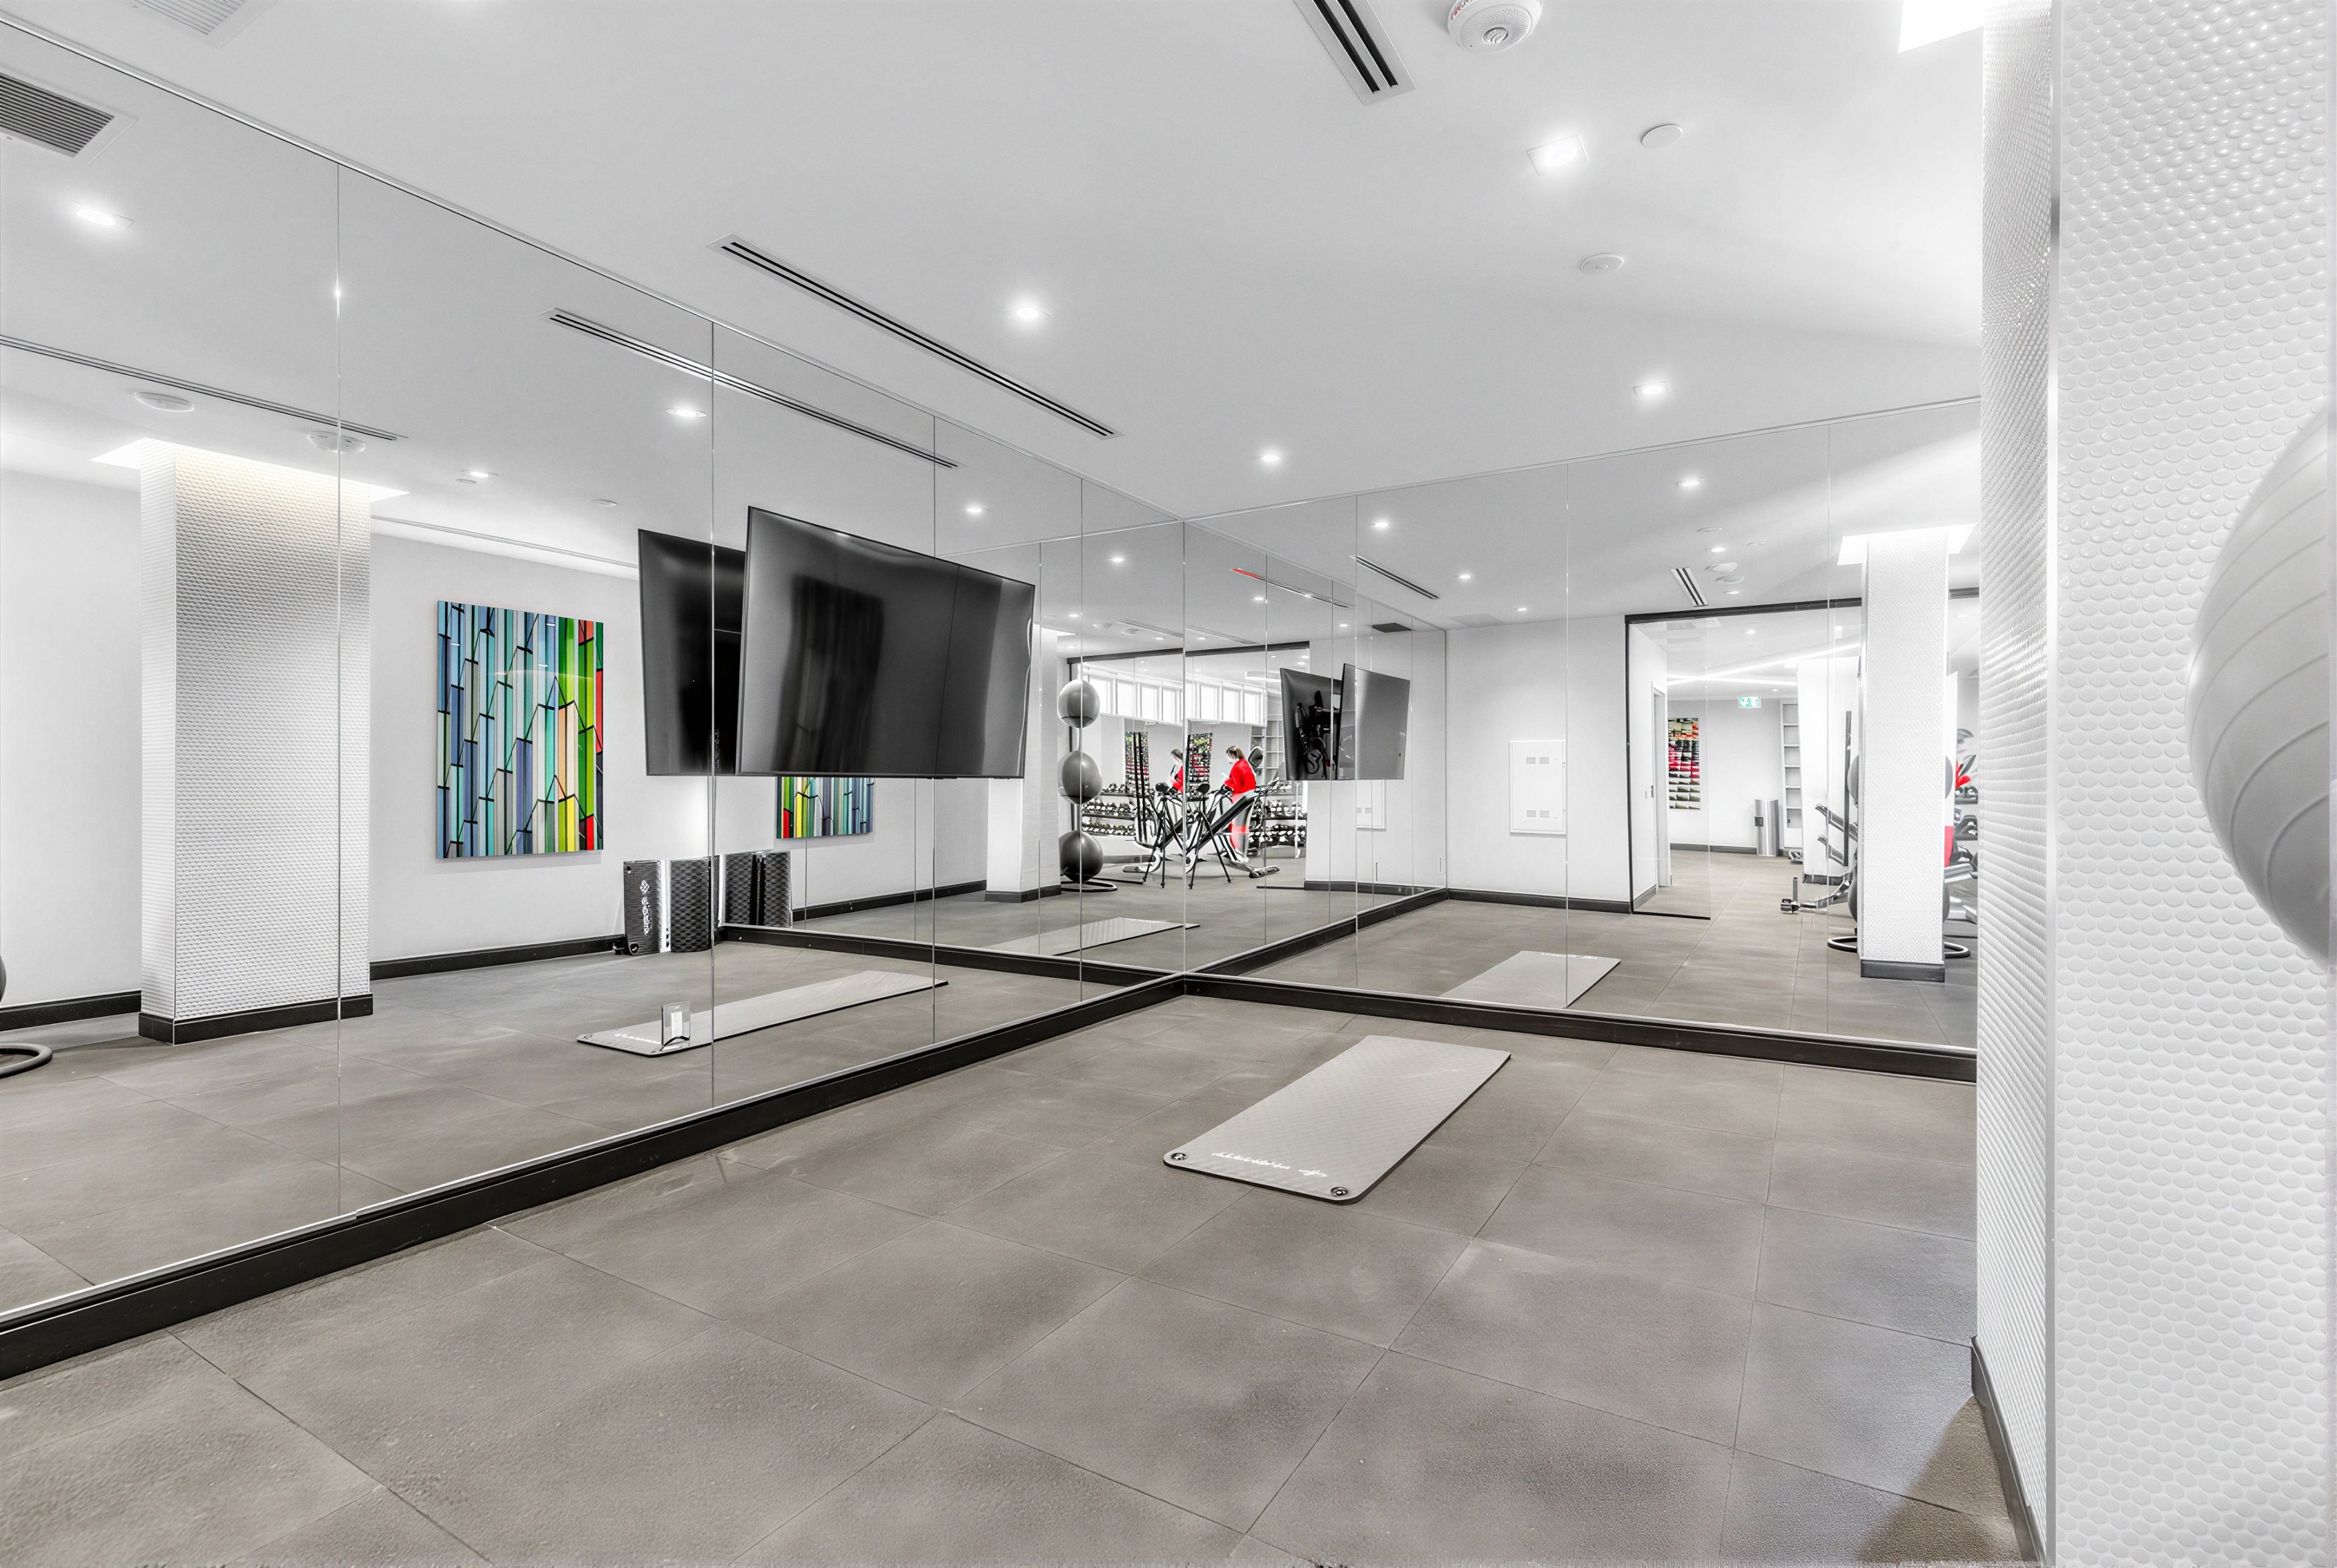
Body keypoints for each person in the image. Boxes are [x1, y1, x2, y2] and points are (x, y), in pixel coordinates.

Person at [1223, 747, 1259, 856]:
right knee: (1244, 825)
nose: (1228, 759)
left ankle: (1236, 850)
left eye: (1228, 757)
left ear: (1233, 756)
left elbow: (1237, 786)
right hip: (1249, 798)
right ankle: (1242, 850)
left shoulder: (1237, 768)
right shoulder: (1246, 764)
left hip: (1240, 799)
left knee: (1236, 825)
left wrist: (1227, 782)